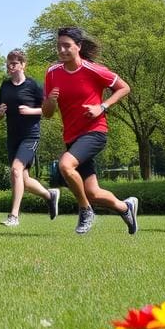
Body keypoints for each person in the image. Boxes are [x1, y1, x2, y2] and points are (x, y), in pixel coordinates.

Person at [42, 26, 138, 235]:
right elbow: (47, 113)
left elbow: (124, 87)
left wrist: (101, 107)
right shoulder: (52, 73)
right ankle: (125, 207)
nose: (62, 50)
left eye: (67, 45)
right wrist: (50, 100)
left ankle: (85, 211)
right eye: (59, 46)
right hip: (71, 136)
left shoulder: (93, 70)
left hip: (95, 131)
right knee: (93, 193)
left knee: (65, 166)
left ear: (79, 46)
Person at [0, 48, 60, 226]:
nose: (10, 67)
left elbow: (49, 111)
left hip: (30, 136)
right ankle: (49, 195)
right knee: (22, 178)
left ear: (23, 65)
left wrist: (31, 111)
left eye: (14, 63)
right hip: (12, 137)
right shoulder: (5, 86)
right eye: (8, 64)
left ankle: (13, 216)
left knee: (15, 170)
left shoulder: (33, 86)